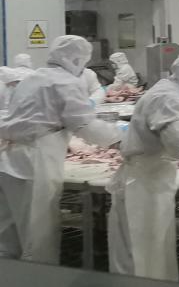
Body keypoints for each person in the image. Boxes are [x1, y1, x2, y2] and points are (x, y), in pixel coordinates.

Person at [107, 47, 179, 281]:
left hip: (155, 179)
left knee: (156, 250)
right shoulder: (166, 97)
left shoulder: (176, 94)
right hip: (141, 184)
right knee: (140, 252)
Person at [0, 36, 122, 263]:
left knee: (7, 237)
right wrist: (119, 139)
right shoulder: (66, 82)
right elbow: (84, 125)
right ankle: (39, 283)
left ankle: (8, 282)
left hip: (7, 159)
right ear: (77, 59)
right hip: (33, 162)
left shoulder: (32, 78)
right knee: (37, 235)